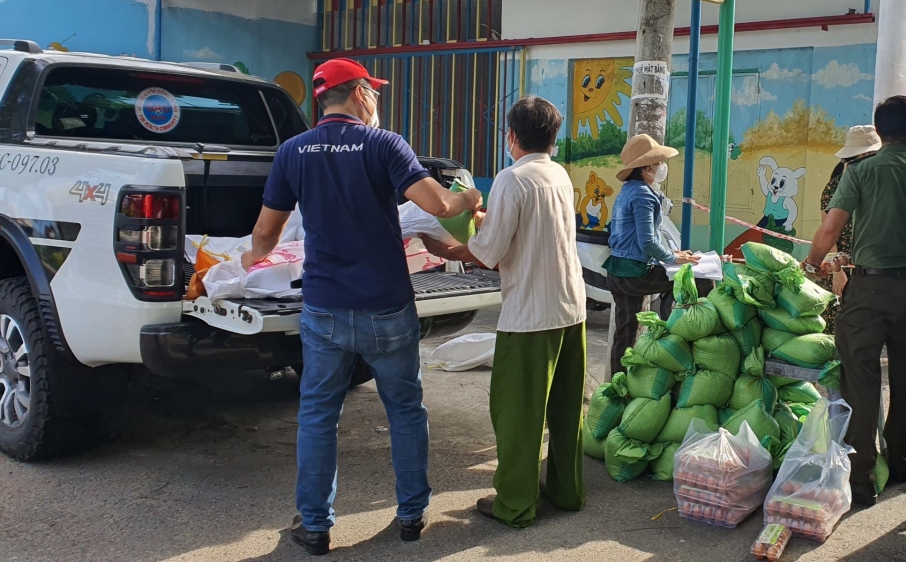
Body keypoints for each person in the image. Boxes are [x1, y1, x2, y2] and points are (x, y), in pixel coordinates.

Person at [243, 57, 482, 555]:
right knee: (405, 411)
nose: (376, 100)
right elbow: (436, 204)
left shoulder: (293, 151)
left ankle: (314, 525)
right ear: (360, 95)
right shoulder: (384, 144)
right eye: (373, 92)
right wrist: (469, 198)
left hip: (325, 309)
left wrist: (249, 257)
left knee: (317, 415)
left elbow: (266, 236)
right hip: (386, 308)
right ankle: (412, 515)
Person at [421, 96, 589, 528]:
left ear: (511, 136)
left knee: (518, 413)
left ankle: (514, 504)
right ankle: (567, 491)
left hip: (531, 315)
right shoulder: (559, 175)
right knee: (567, 408)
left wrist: (446, 245)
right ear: (554, 136)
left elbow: (490, 251)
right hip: (571, 307)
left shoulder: (511, 179)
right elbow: (532, 229)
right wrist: (484, 217)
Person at [802, 95, 906, 508]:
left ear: (878, 129)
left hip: (867, 288)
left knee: (861, 379)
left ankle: (862, 479)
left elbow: (831, 228)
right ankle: (901, 463)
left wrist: (813, 263)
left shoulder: (860, 172)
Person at [604, 134, 699, 377]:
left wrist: (673, 253)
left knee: (624, 332)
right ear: (647, 167)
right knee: (698, 278)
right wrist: (675, 259)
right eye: (658, 163)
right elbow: (647, 241)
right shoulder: (644, 195)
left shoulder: (629, 190)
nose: (661, 168)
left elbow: (640, 238)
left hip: (617, 271)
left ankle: (618, 384)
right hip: (634, 272)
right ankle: (688, 335)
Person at [815, 125, 881, 334]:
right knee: (837, 327)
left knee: (865, 331)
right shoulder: (835, 188)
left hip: (873, 270)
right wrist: (837, 271)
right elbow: (828, 230)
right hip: (842, 267)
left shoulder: (881, 185)